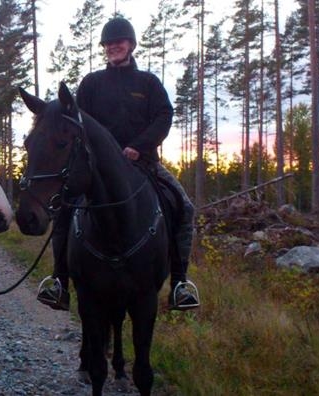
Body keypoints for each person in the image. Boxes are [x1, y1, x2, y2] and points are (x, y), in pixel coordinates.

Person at [36, 17, 200, 311]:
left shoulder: (148, 83)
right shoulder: (91, 83)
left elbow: (164, 116)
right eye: (109, 43)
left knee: (184, 207)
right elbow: (77, 122)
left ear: (131, 45)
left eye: (119, 42)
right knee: (64, 206)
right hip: (96, 170)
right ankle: (59, 281)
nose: (113, 47)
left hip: (144, 164)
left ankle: (179, 283)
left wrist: (139, 147)